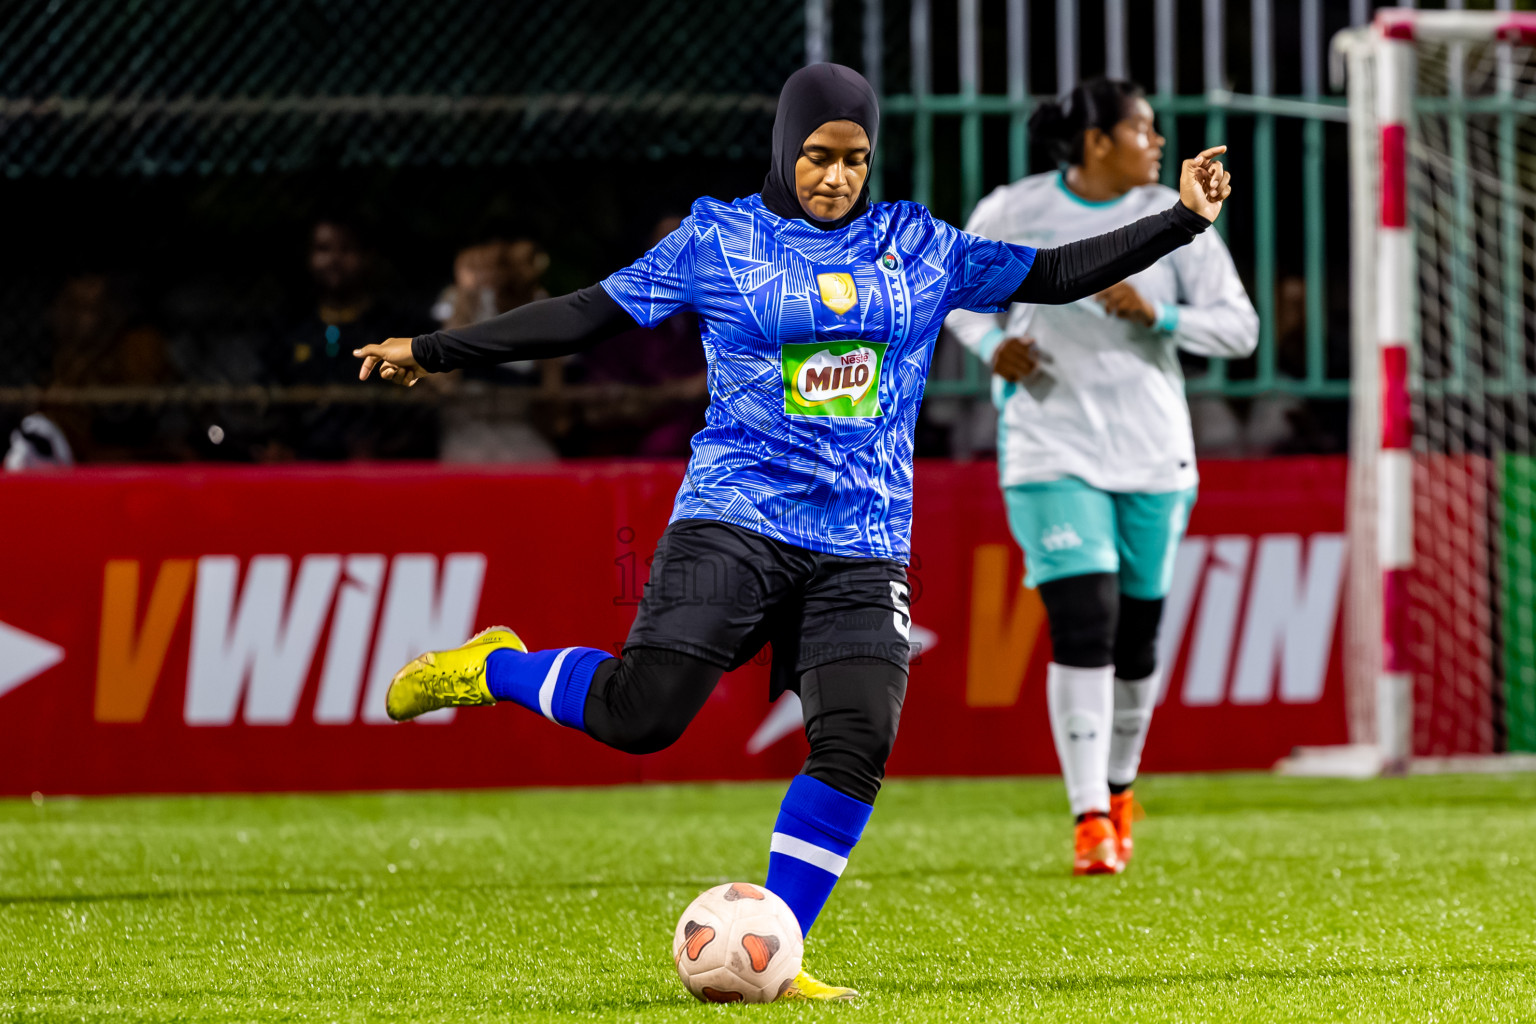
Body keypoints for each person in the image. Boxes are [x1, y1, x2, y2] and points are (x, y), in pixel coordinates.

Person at [354, 64, 1231, 998]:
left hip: (862, 543)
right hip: (735, 520)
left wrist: (1181, 218)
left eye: (855, 160)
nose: (836, 178)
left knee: (856, 739)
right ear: (785, 148)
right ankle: (492, 665)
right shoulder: (722, 240)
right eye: (818, 156)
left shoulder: (917, 246)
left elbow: (1054, 274)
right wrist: (436, 351)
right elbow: (584, 316)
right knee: (640, 718)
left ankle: (778, 947)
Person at [945, 78, 1258, 877]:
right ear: (1096, 143)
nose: (1156, 144)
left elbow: (1241, 329)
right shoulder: (1012, 210)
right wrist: (988, 347)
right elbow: (955, 293)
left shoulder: (1173, 216)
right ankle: (1089, 816)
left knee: (1137, 637)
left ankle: (1120, 791)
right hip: (1051, 443)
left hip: (1153, 450)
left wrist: (1164, 317)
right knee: (1086, 621)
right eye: (1142, 130)